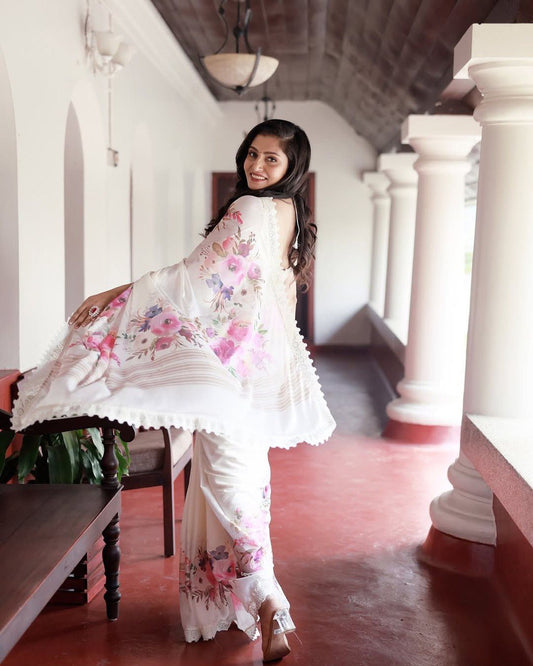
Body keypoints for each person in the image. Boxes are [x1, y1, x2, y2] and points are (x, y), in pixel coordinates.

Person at [12, 119, 335, 662]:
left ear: (292, 167)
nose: (256, 166)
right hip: (256, 379)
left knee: (228, 489)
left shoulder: (250, 210)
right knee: (241, 485)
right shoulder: (291, 215)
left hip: (230, 381)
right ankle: (246, 602)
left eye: (271, 159)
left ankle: (269, 602)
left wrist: (113, 295)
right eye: (252, 154)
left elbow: (189, 280)